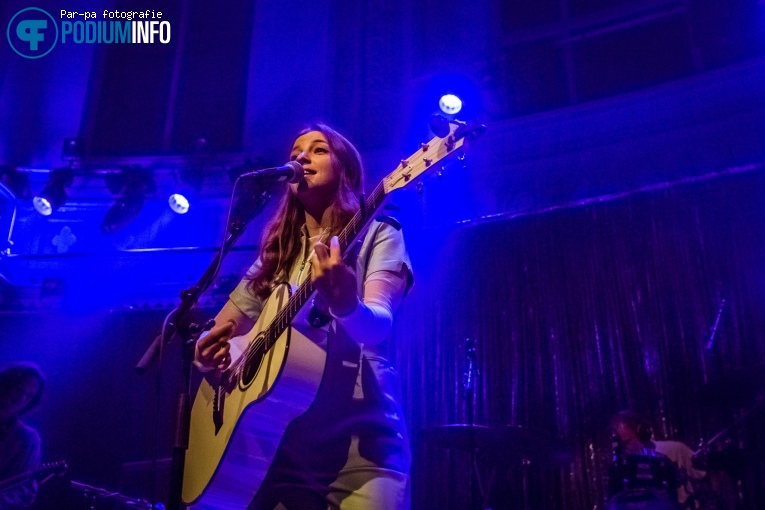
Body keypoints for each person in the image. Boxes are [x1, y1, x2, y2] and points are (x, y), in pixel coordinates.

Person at [195, 123, 414, 510]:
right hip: (280, 446)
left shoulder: (379, 231)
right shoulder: (275, 255)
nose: (300, 156)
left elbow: (378, 326)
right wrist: (207, 351)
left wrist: (346, 304)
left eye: (318, 150)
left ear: (345, 169)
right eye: (296, 150)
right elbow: (223, 328)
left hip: (361, 440)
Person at [610, 410, 706, 508]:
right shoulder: (623, 466)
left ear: (642, 432)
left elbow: (703, 473)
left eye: (628, 442)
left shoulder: (675, 449)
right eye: (622, 444)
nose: (626, 448)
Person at [0, 363, 44, 509]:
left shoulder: (29, 439)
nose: (22, 398)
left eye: (29, 396)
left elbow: (24, 490)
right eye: (19, 390)